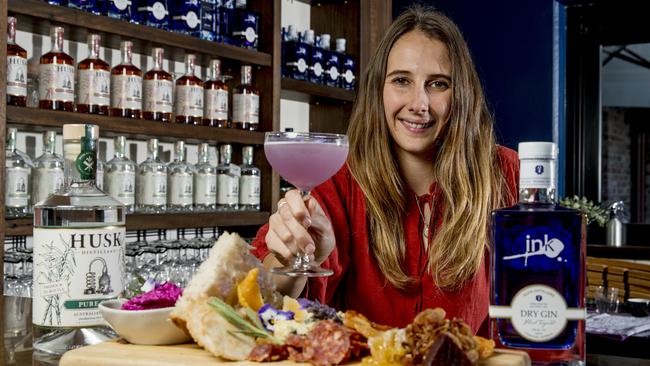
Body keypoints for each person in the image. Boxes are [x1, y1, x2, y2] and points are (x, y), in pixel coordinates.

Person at [251, 5, 519, 334]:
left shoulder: (505, 172)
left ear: (461, 94)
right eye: (401, 80)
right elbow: (265, 300)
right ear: (379, 89)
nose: (418, 104)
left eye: (437, 84)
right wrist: (292, 261)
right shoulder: (338, 177)